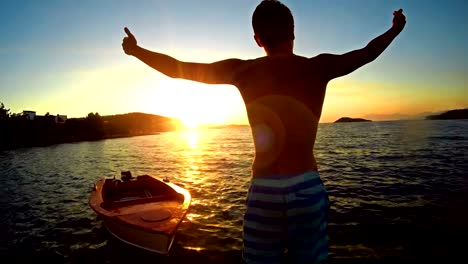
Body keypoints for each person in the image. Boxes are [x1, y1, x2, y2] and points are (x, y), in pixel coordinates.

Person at [122, 1, 406, 263]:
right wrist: (394, 30)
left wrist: (137, 50)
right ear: (294, 32)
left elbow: (179, 69)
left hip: (265, 190)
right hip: (307, 186)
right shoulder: (317, 67)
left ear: (257, 39)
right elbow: (367, 53)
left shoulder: (242, 71)